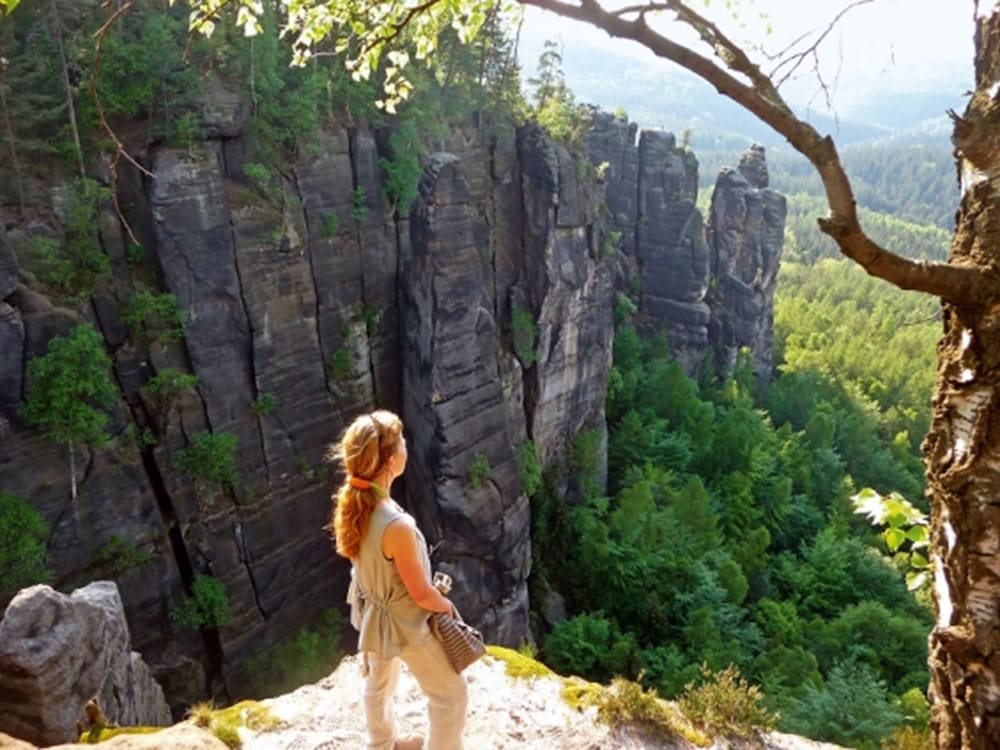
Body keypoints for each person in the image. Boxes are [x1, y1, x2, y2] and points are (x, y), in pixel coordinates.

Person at [328, 410, 468, 750]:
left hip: (373, 611)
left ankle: (383, 744)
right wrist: (446, 607)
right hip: (405, 624)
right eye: (402, 441)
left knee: (378, 687)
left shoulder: (355, 505)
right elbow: (420, 593)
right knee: (451, 695)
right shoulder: (396, 525)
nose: (407, 445)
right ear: (389, 460)